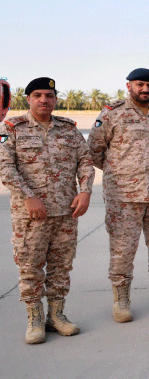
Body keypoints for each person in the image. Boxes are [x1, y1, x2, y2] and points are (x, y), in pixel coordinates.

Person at [0, 78, 94, 344]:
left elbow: (85, 161)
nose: (44, 100)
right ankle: (35, 320)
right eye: (38, 95)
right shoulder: (12, 127)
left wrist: (85, 191)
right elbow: (5, 166)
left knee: (61, 267)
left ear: (55, 99)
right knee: (30, 268)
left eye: (49, 95)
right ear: (28, 99)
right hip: (31, 215)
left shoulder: (68, 129)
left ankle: (57, 316)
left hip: (66, 212)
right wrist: (29, 197)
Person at [88, 68, 149, 322]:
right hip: (124, 198)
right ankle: (121, 300)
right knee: (122, 251)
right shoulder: (112, 113)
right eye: (140, 85)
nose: (145, 89)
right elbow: (95, 151)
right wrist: (121, 173)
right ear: (129, 85)